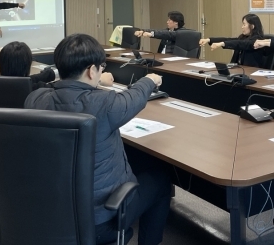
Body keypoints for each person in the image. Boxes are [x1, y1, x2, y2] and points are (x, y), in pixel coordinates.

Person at [25, 34, 171, 245]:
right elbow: (134, 97)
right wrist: (150, 80)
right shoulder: (106, 104)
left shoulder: (35, 99)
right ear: (91, 71)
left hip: (49, 212)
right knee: (161, 179)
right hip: (101, 221)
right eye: (101, 67)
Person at [199, 13, 271, 68]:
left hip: (251, 72)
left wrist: (222, 44)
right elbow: (230, 40)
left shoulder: (258, 41)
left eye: (244, 24)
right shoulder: (243, 37)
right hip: (238, 70)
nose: (242, 27)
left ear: (252, 26)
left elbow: (241, 44)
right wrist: (209, 40)